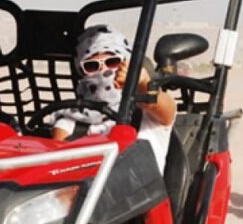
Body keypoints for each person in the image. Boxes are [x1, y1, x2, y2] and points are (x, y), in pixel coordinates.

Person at [52, 25, 176, 171]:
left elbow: (166, 110)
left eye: (113, 62)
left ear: (126, 64)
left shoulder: (144, 113)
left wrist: (143, 83)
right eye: (92, 66)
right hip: (87, 191)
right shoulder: (69, 122)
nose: (104, 71)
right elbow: (60, 170)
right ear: (82, 73)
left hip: (142, 192)